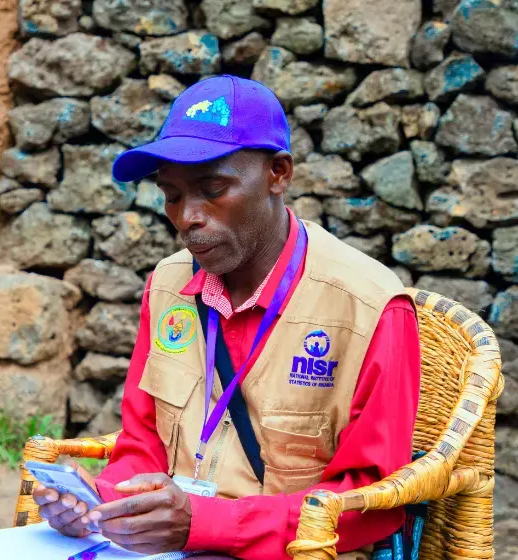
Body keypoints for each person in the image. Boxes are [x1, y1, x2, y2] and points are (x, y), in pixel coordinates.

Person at [33, 76, 421, 560]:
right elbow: (143, 440)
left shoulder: (369, 306)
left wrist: (208, 525)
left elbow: (374, 501)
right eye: (171, 194)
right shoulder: (168, 283)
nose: (187, 217)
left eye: (212, 188)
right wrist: (99, 502)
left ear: (278, 174)